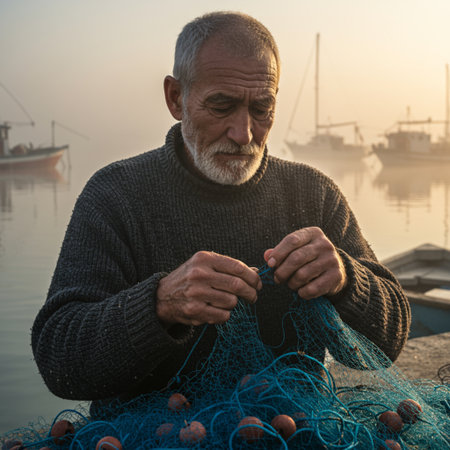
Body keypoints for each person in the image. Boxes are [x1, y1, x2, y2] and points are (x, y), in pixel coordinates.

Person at [31, 11, 410, 410]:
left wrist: (348, 280)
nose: (243, 133)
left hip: (295, 432)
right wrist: (159, 305)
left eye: (262, 108)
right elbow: (59, 361)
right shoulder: (115, 196)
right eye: (222, 106)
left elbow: (389, 344)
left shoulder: (313, 195)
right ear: (176, 98)